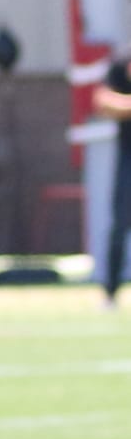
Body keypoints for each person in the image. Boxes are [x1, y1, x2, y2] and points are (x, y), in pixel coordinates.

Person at [92, 47, 131, 303]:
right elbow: (103, 101)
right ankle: (110, 292)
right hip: (128, 157)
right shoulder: (119, 67)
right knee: (120, 224)